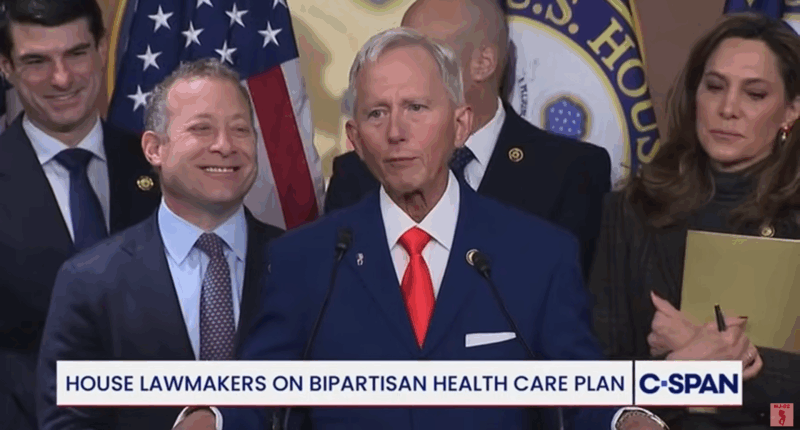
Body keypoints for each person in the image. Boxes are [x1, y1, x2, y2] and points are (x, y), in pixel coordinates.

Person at [175, 28, 667, 430]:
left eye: (416, 107)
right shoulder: (304, 261)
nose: (395, 131)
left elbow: (583, 392)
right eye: (376, 113)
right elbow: (257, 395)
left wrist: (627, 418)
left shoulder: (537, 254)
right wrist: (210, 417)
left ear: (460, 124)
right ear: (355, 140)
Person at [36, 58, 284, 430]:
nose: (225, 145)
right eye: (202, 129)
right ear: (154, 149)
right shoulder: (89, 282)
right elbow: (69, 423)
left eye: (240, 130)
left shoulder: (304, 265)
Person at [589, 13, 800, 430]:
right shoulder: (630, 210)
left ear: (791, 110)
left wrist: (718, 356)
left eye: (754, 94)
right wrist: (682, 367)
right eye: (715, 87)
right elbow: (599, 372)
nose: (727, 109)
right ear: (694, 94)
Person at [323, 0, 611, 277]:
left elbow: (572, 306)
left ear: (483, 63)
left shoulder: (571, 172)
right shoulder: (358, 173)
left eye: (426, 53)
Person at [0, 1, 160, 429]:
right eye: (36, 61)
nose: (62, 78)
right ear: (6, 66)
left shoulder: (160, 168)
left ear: (102, 49)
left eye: (76, 53)